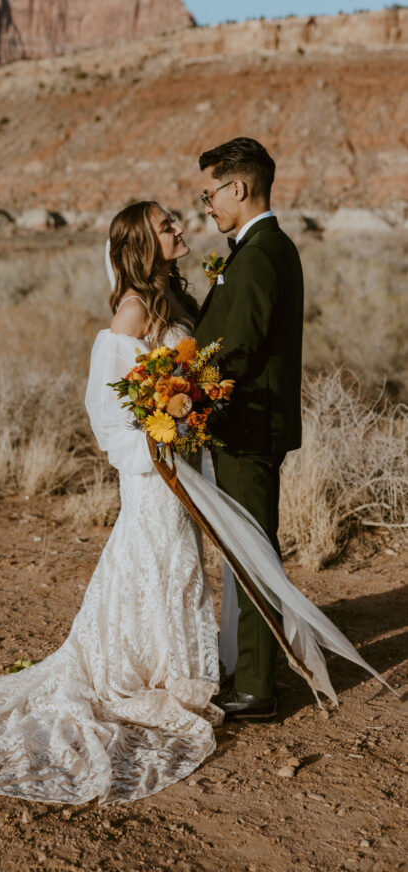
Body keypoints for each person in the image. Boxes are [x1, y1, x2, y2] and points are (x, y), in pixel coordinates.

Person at [0, 200, 388, 806]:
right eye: (165, 226)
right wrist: (157, 446)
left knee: (180, 566)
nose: (178, 228)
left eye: (177, 219)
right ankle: (144, 671)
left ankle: (176, 663)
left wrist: (189, 420)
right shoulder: (133, 309)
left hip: (184, 459)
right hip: (155, 472)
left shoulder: (177, 299)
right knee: (157, 559)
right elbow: (106, 407)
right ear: (141, 245)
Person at [194, 137, 301, 721]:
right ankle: (252, 670)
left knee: (253, 551)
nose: (206, 204)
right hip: (251, 425)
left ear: (238, 187)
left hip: (248, 427)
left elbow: (239, 348)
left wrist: (189, 391)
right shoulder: (262, 246)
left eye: (210, 192)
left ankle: (258, 688)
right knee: (247, 548)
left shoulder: (260, 253)